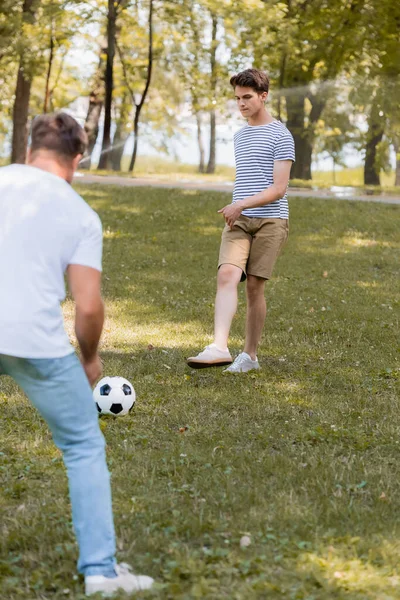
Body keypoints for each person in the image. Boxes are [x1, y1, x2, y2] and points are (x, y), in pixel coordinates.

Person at [0, 113, 154, 596]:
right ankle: (101, 573)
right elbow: (88, 306)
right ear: (78, 159)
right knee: (84, 446)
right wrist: (90, 358)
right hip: (35, 344)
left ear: (29, 148)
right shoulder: (81, 214)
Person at [187, 68, 295, 373]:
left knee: (254, 288)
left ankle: (249, 356)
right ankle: (219, 347)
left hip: (271, 222)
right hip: (239, 220)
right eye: (237, 98)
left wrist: (240, 205)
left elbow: (279, 188)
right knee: (226, 277)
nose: (241, 103)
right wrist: (239, 208)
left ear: (263, 96)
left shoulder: (281, 135)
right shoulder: (240, 135)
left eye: (247, 97)